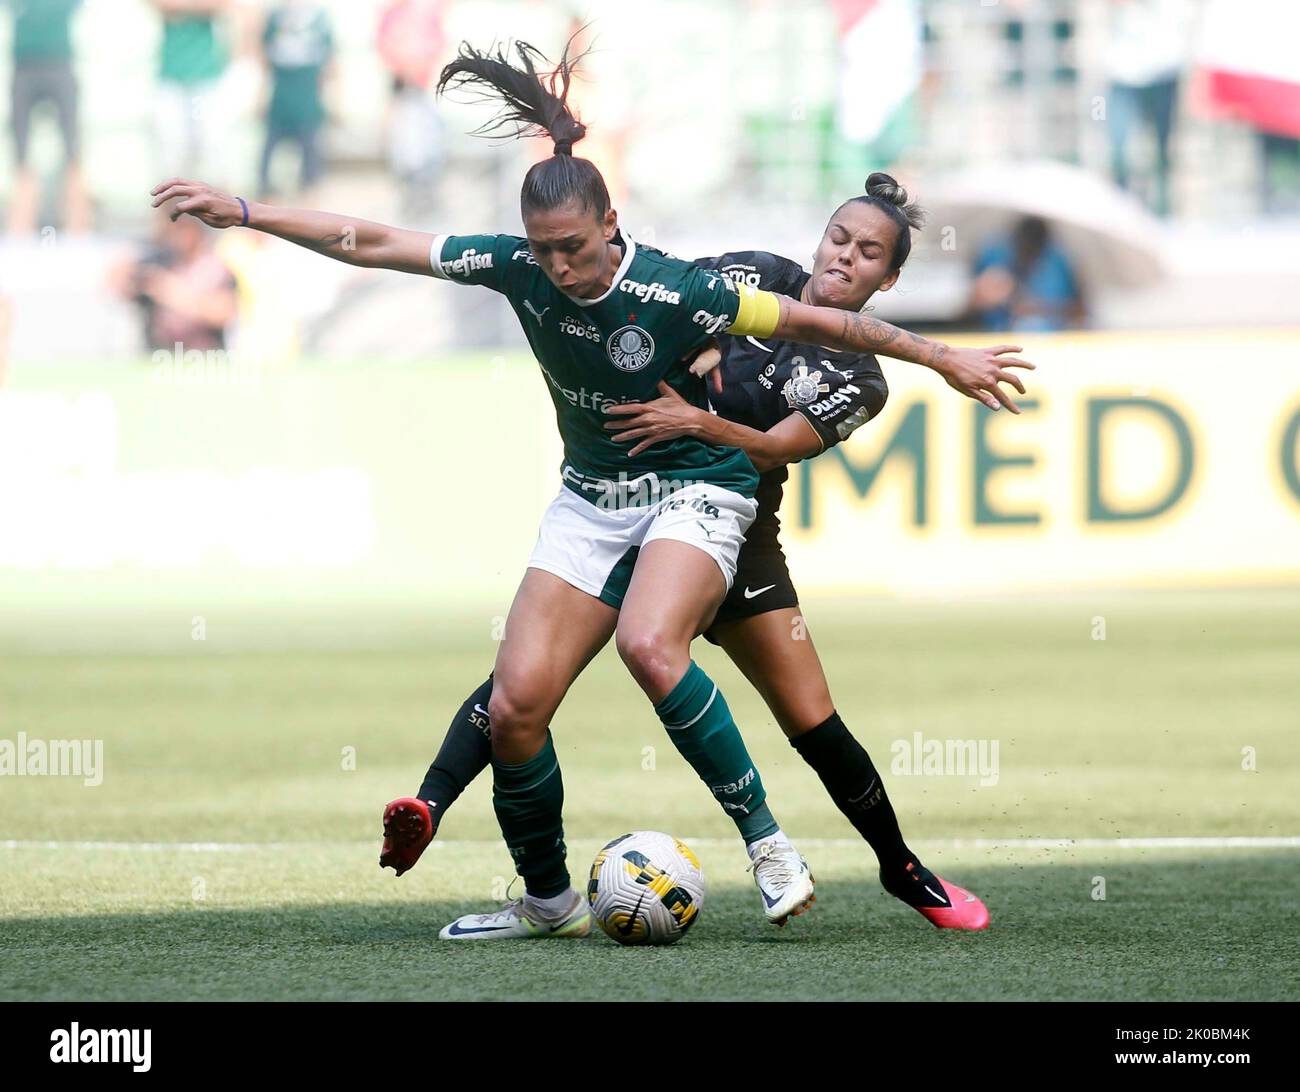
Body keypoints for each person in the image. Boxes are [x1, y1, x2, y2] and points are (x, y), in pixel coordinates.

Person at [152, 38, 1028, 941]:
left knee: (778, 705)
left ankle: (851, 859)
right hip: (602, 496)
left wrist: (940, 356)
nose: (558, 268)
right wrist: (247, 211)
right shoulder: (643, 270)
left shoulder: (750, 323)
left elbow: (791, 400)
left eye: (868, 252)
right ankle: (542, 895)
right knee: (517, 698)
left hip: (716, 501)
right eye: (839, 236)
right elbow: (370, 239)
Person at [380, 174, 997, 932]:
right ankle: (446, 810)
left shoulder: (857, 377)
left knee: (812, 720)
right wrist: (692, 354)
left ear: (890, 276)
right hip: (632, 493)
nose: (845, 258)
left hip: (733, 525)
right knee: (525, 680)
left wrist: (696, 422)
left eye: (868, 254)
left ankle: (903, 870)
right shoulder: (753, 276)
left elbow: (773, 449)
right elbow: (656, 289)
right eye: (840, 238)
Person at [6, 0, 90, 236]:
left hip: (60, 64)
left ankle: (78, 227)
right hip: (23, 67)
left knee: (73, 149)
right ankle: (20, 227)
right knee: (21, 150)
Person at [110, 213, 238, 353]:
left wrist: (169, 291)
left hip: (203, 353)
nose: (179, 237)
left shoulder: (217, 267)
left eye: (184, 229)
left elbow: (224, 313)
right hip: (159, 351)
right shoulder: (161, 260)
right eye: (175, 229)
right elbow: (117, 285)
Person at [259, 0, 334, 197]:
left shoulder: (319, 19)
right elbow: (264, 59)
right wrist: (260, 94)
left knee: (311, 156)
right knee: (268, 154)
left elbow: (330, 63)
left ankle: (310, 196)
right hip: (280, 98)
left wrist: (334, 97)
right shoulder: (275, 18)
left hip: (307, 99)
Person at [152, 0, 231, 178]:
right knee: (170, 149)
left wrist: (182, 7)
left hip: (206, 78)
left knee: (211, 146)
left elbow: (222, 5)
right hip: (171, 77)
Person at [968, 216, 1085, 333]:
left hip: (1049, 336)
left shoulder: (1059, 262)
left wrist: (1037, 308)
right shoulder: (994, 255)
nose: (1028, 246)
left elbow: (1078, 308)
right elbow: (970, 302)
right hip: (993, 333)